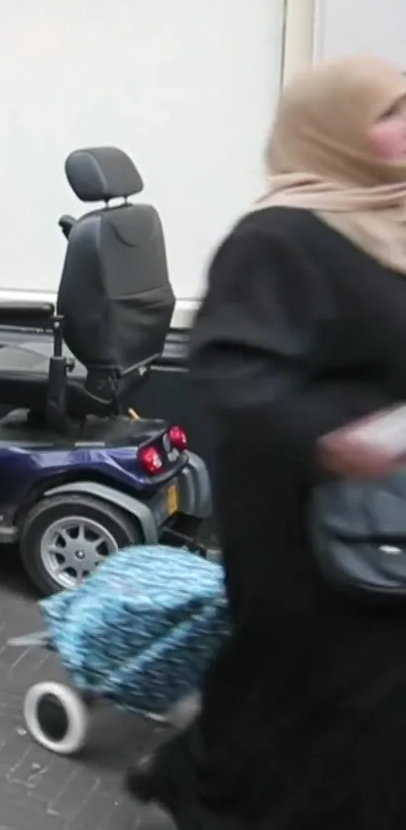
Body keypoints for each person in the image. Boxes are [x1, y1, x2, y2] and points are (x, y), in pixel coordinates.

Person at [126, 56, 406, 829]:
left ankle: (199, 774)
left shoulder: (391, 219)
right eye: (389, 114)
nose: (405, 128)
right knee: (307, 682)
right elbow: (230, 373)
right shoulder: (279, 238)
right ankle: (208, 786)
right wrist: (334, 439)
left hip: (389, 510)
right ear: (336, 130)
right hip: (305, 515)